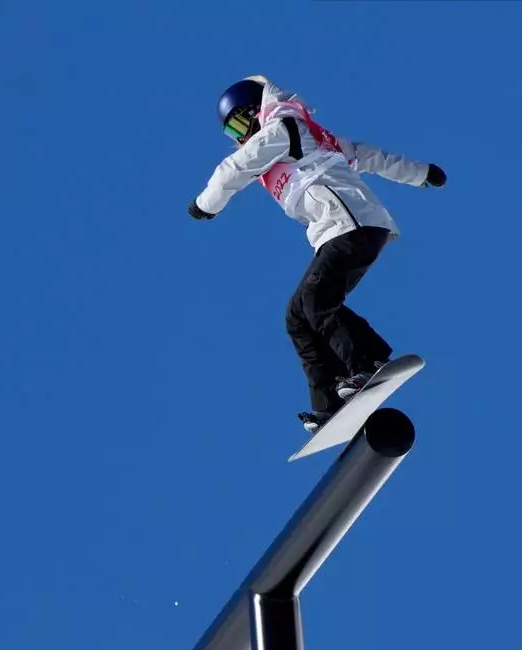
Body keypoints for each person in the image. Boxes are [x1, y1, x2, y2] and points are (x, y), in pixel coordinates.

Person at [189, 75, 446, 433]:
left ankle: (368, 362)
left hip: (353, 223)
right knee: (297, 316)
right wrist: (420, 173)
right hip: (337, 230)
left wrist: (205, 204)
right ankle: (329, 401)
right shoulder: (311, 136)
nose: (240, 138)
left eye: (239, 125)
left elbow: (234, 169)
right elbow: (370, 156)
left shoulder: (282, 128)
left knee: (316, 299)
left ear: (254, 112)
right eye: (232, 134)